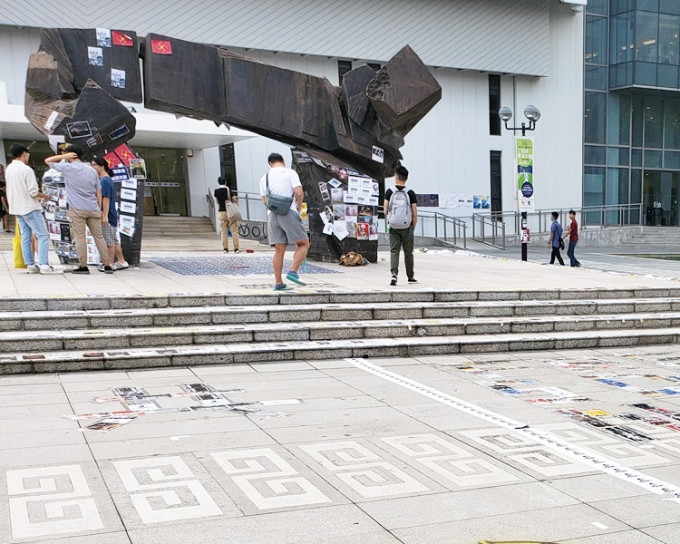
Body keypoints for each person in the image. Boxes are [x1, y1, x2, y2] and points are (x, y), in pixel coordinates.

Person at [44, 145, 113, 274]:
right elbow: (98, 191)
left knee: (80, 237)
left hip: (76, 208)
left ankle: (83, 265)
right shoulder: (92, 170)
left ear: (72, 155)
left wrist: (64, 156)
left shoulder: (68, 168)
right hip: (93, 207)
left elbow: (48, 161)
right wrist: (100, 208)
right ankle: (107, 264)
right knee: (99, 237)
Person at [4, 143, 59, 273]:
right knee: (42, 235)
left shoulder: (9, 169)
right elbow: (33, 192)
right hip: (29, 207)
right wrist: (45, 195)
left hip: (16, 207)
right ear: (24, 154)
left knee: (25, 236)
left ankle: (30, 264)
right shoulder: (26, 170)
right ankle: (44, 264)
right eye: (27, 154)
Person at [259, 152, 309, 290]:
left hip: (272, 214)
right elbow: (298, 192)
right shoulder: (290, 173)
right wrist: (298, 205)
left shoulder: (265, 177)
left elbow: (264, 200)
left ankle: (279, 283)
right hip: (288, 211)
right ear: (283, 161)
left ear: (270, 163)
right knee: (303, 243)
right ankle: (293, 271)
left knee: (279, 250)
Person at [92, 157, 129, 270]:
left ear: (102, 166)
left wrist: (104, 216)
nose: (92, 167)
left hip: (108, 214)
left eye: (94, 165)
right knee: (113, 239)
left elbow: (106, 199)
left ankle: (110, 263)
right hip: (109, 214)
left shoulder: (105, 181)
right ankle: (122, 261)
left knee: (109, 241)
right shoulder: (104, 180)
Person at [384, 165, 418, 286]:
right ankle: (410, 277)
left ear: (396, 177)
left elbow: (385, 210)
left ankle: (394, 275)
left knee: (394, 251)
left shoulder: (389, 191)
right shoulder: (410, 193)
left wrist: (390, 220)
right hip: (407, 226)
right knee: (408, 252)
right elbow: (414, 213)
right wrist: (412, 227)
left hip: (393, 225)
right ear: (406, 178)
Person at [214, 176, 240, 253]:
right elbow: (233, 199)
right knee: (234, 231)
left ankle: (225, 248)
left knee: (223, 231)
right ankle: (236, 248)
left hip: (221, 211)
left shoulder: (216, 191)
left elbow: (217, 202)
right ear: (225, 182)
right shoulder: (228, 189)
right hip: (230, 211)